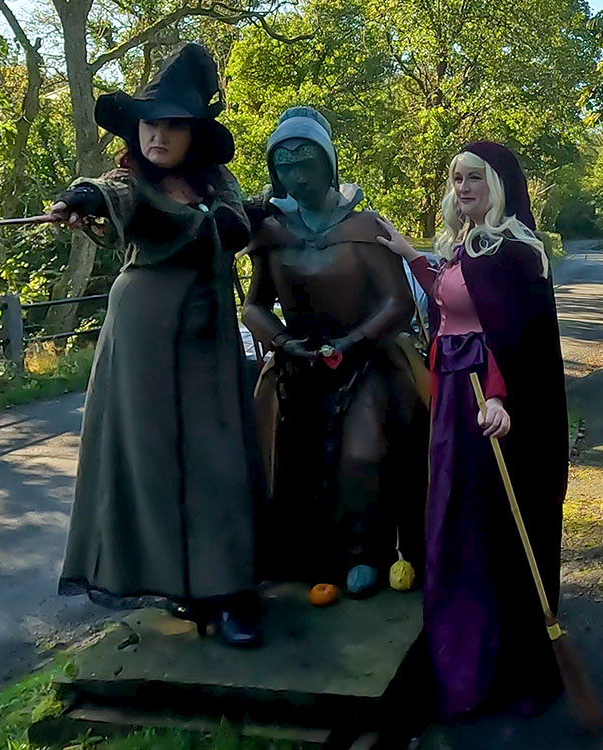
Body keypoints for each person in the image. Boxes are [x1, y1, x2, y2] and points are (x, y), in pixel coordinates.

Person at [52, 43, 263, 647]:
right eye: (151, 122)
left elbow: (231, 226)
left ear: (194, 133)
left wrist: (231, 219)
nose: (158, 135)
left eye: (173, 123)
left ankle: (227, 594)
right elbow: (111, 193)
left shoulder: (215, 184)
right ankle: (179, 584)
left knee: (215, 459)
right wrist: (82, 198)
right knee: (149, 461)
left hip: (206, 340)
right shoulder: (130, 182)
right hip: (141, 335)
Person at [376, 141, 568, 717]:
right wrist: (412, 257)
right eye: (456, 179)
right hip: (457, 403)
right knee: (458, 521)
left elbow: (521, 340)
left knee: (498, 528)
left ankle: (517, 669)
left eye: (474, 178)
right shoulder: (469, 247)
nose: (462, 188)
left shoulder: (513, 252)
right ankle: (465, 658)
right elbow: (451, 305)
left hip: (492, 408)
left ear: (499, 184)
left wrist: (506, 399)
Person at [242, 107, 428, 598]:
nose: (296, 175)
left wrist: (352, 341)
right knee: (287, 457)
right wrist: (284, 341)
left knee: (363, 453)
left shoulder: (365, 226)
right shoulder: (270, 233)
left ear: (329, 164)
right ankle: (307, 556)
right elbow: (254, 306)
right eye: (284, 166)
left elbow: (398, 301)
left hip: (364, 357)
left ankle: (364, 552)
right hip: (297, 363)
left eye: (306, 162)